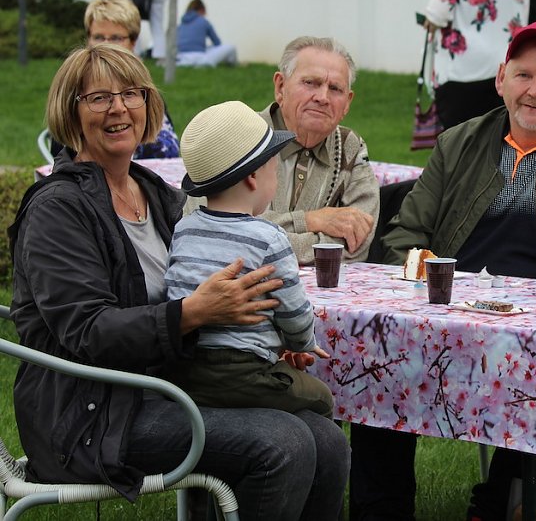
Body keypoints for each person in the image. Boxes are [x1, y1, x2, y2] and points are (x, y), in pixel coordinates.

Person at [8, 44, 349, 520]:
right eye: (99, 98)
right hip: (92, 412)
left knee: (327, 441)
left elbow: (211, 281)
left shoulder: (154, 193)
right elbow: (88, 332)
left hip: (169, 387)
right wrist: (194, 313)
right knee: (282, 443)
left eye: (132, 94)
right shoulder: (57, 210)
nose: (119, 108)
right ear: (71, 113)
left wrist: (259, 341)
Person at [348, 21, 536, 521]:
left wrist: (521, 312)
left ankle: (498, 502)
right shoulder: (457, 143)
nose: (535, 91)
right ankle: (381, 510)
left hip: (529, 326)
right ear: (501, 79)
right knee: (380, 354)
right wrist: (425, 295)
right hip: (443, 311)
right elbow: (406, 235)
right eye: (523, 75)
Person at [164, 100, 333, 418]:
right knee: (321, 398)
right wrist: (301, 343)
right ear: (254, 177)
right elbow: (295, 314)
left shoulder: (183, 230)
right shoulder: (269, 238)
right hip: (245, 374)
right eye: (275, 166)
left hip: (184, 372)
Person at [257, 36, 380, 265]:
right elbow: (227, 235)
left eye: (335, 88)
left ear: (347, 103)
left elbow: (356, 246)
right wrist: (310, 220)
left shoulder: (350, 148)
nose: (322, 97)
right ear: (280, 87)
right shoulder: (241, 138)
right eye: (310, 83)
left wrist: (269, 242)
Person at [49, 0, 180, 160]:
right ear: (88, 39)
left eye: (116, 38)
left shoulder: (145, 91)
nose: (106, 44)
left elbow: (170, 153)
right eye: (98, 37)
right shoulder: (76, 86)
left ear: (133, 42)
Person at [423, 0, 529, 129]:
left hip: (461, 73)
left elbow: (436, 15)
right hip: (505, 72)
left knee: (458, 146)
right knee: (497, 143)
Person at [176, 0, 238, 67]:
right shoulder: (203, 21)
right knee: (231, 48)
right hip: (199, 58)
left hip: (181, 58)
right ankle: (232, 65)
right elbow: (217, 43)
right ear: (202, 10)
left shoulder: (181, 25)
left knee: (207, 48)